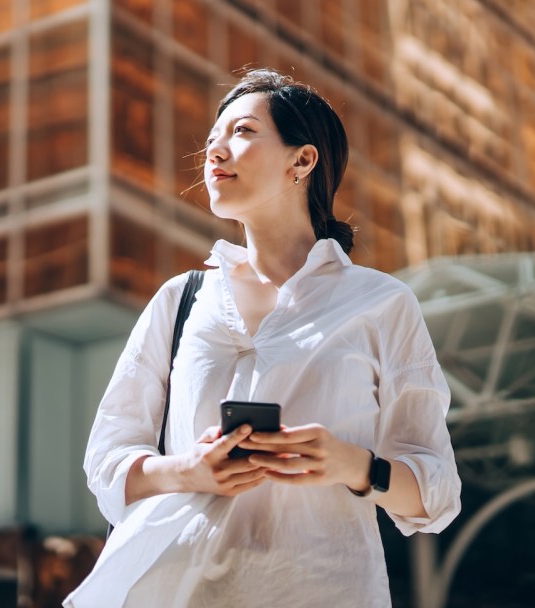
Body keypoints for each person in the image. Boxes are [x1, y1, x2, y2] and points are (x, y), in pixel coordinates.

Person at [65, 70, 461, 607]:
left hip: (320, 588)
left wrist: (351, 464)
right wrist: (189, 470)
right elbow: (108, 462)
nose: (214, 152)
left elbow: (436, 491)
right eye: (211, 140)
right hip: (175, 591)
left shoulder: (382, 304)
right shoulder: (181, 300)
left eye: (242, 132)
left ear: (302, 161)